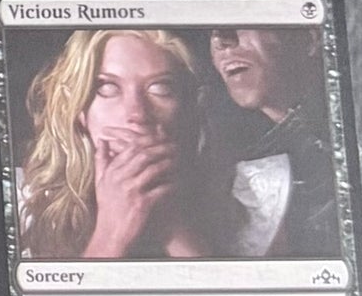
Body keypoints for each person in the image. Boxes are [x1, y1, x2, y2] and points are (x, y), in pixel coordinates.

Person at [18, 28, 222, 260]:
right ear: (79, 108)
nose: (137, 114)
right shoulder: (22, 200)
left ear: (186, 109)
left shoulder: (249, 195)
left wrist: (171, 226)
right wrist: (111, 233)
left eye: (160, 88)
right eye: (107, 88)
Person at [207, 25, 340, 258]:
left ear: (309, 39)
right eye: (211, 30)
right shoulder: (240, 170)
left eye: (240, 17)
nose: (221, 41)